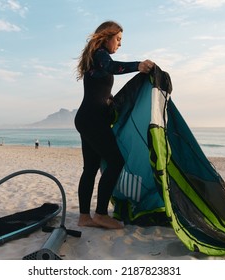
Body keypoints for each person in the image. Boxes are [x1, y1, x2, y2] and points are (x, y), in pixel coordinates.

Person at [74, 21, 154, 229]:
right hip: (92, 119)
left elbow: (100, 91)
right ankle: (100, 214)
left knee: (90, 168)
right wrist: (137, 66)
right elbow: (111, 67)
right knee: (116, 161)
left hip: (87, 118)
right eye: (118, 39)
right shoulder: (101, 55)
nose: (119, 44)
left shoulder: (95, 58)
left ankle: (84, 217)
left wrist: (113, 102)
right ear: (106, 37)